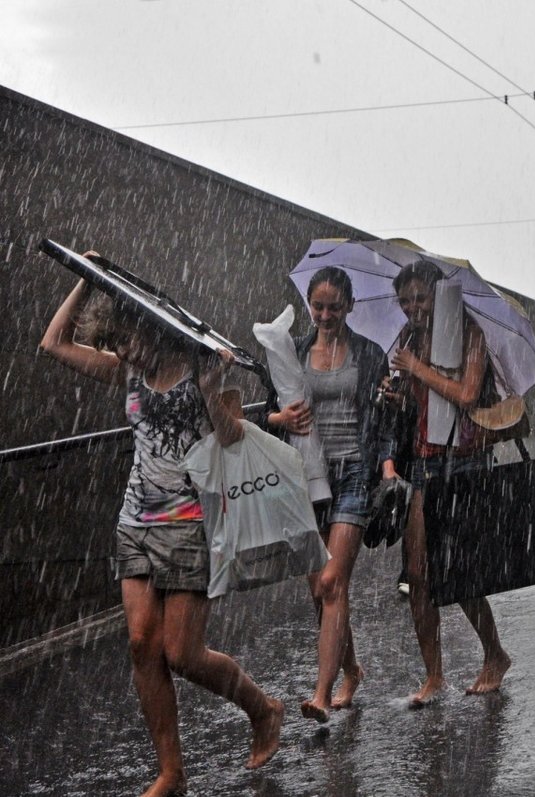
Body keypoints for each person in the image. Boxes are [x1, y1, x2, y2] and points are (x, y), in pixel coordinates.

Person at [39, 271, 283, 797]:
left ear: (150, 326)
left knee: (183, 654)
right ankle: (171, 772)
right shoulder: (126, 372)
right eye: (113, 344)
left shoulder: (201, 365)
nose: (123, 351)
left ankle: (262, 709)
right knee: (140, 645)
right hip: (136, 522)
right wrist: (86, 276)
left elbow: (235, 439)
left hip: (191, 524)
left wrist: (214, 393)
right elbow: (53, 343)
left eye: (126, 338)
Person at [265, 266, 394, 723]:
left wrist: (387, 465)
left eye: (333, 307)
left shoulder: (369, 354)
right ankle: (352, 668)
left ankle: (321, 694)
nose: (324, 315)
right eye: (317, 307)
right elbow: (267, 411)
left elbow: (383, 421)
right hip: (308, 478)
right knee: (319, 592)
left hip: (354, 472)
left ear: (349, 307)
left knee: (332, 581)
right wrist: (282, 420)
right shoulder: (293, 351)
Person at [385, 260, 510, 707]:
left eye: (420, 297)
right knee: (418, 575)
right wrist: (397, 391)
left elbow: (466, 394)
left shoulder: (468, 332)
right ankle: (433, 676)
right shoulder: (408, 339)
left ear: (438, 296)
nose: (413, 307)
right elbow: (418, 397)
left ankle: (495, 655)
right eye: (405, 300)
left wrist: (416, 368)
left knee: (461, 575)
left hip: (463, 462)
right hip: (423, 462)